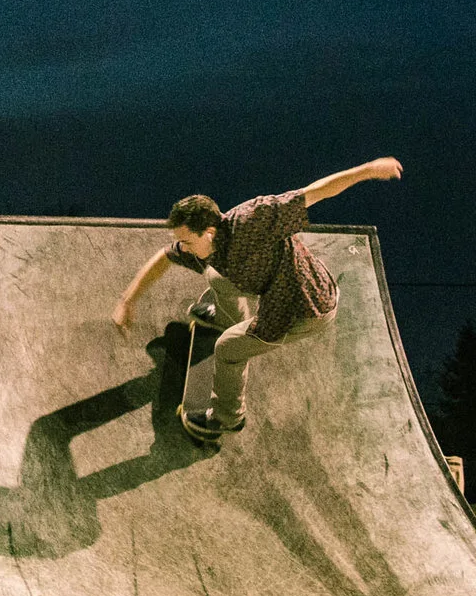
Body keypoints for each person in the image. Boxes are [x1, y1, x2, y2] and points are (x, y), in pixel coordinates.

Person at [111, 158, 404, 443]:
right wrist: (128, 300)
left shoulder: (255, 220)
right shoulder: (204, 243)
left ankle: (229, 417)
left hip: (304, 309)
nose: (183, 249)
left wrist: (368, 171)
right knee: (216, 277)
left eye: (188, 241)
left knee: (227, 347)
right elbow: (164, 257)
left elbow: (313, 193)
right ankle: (228, 317)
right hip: (269, 283)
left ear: (210, 232)